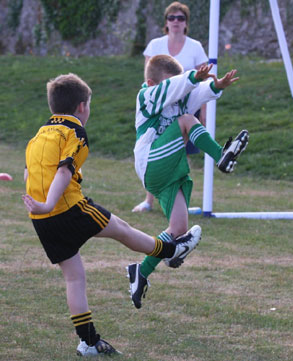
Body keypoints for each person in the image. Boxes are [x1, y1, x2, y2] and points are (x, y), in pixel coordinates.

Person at [22, 73, 200, 356]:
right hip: (67, 208)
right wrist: (49, 202)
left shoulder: (38, 135)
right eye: (89, 105)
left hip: (42, 220)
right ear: (82, 107)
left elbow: (29, 172)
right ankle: (170, 249)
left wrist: (40, 206)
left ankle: (88, 341)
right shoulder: (74, 132)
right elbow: (64, 171)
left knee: (74, 278)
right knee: (121, 229)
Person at [128, 55, 249, 308]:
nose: (179, 87)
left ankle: (140, 273)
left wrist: (216, 86)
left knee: (178, 228)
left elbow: (193, 95)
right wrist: (192, 77)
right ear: (150, 82)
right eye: (172, 83)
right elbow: (175, 87)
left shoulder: (174, 95)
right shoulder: (146, 96)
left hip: (164, 173)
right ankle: (221, 156)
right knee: (186, 121)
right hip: (150, 160)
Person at [133, 1, 208, 213]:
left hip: (184, 106)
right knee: (153, 149)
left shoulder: (195, 47)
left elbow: (201, 81)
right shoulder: (155, 45)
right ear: (166, 22)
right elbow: (149, 77)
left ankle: (177, 199)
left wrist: (203, 112)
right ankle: (149, 200)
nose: (176, 22)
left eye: (180, 18)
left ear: (186, 23)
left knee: (179, 152)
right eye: (171, 18)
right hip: (158, 108)